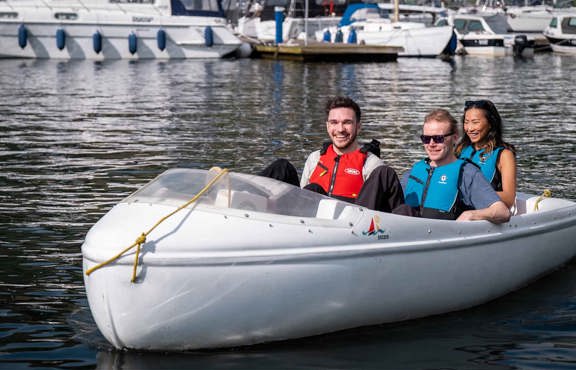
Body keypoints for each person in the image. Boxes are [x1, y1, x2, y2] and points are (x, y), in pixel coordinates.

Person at [260, 96, 405, 213]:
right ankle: (246, 210)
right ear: (328, 126)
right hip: (309, 220)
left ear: (358, 126)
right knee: (281, 167)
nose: (340, 129)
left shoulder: (372, 164)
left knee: (314, 189)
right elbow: (301, 194)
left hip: (349, 226)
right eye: (334, 122)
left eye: (347, 122)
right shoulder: (315, 158)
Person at [403, 108, 511, 223]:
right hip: (405, 230)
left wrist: (471, 215)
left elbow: (502, 211)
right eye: (426, 139)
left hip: (441, 234)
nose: (431, 144)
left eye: (438, 139)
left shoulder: (467, 174)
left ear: (455, 137)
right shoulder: (414, 171)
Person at [456, 100, 517, 209]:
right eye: (466, 122)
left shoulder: (504, 155)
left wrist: (470, 193)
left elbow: (509, 199)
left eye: (475, 122)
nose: (469, 128)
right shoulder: (461, 149)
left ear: (490, 124)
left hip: (484, 214)